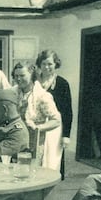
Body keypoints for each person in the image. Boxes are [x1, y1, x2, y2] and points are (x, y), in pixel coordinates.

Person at [11, 61, 62, 171]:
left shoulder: (42, 96)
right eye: (16, 76)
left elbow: (56, 120)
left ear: (32, 75)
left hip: (33, 141)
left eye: (22, 75)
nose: (18, 79)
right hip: (14, 139)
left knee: (30, 172)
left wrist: (38, 128)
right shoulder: (12, 93)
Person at [36, 49, 73, 180]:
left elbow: (67, 111)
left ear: (56, 64)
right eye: (44, 63)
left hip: (54, 127)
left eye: (50, 64)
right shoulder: (34, 81)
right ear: (39, 65)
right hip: (36, 124)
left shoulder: (62, 83)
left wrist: (66, 136)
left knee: (52, 158)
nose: (46, 67)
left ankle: (50, 182)